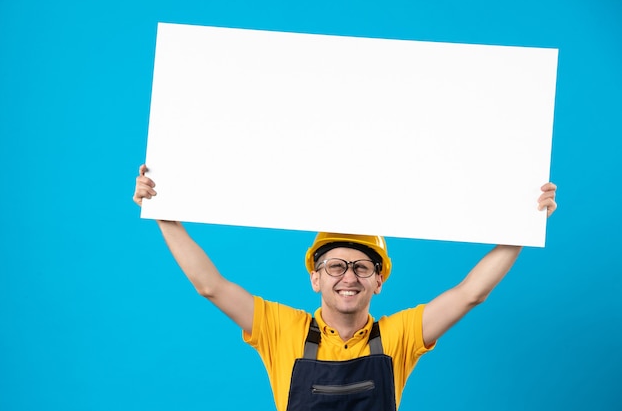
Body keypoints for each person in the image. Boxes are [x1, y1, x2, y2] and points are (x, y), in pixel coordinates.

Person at [133, 164, 557, 411]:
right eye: (335, 266)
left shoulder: (399, 336)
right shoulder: (283, 329)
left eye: (361, 266)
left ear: (379, 279)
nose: (349, 277)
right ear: (315, 277)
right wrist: (162, 211)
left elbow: (471, 293)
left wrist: (525, 225)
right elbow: (210, 285)